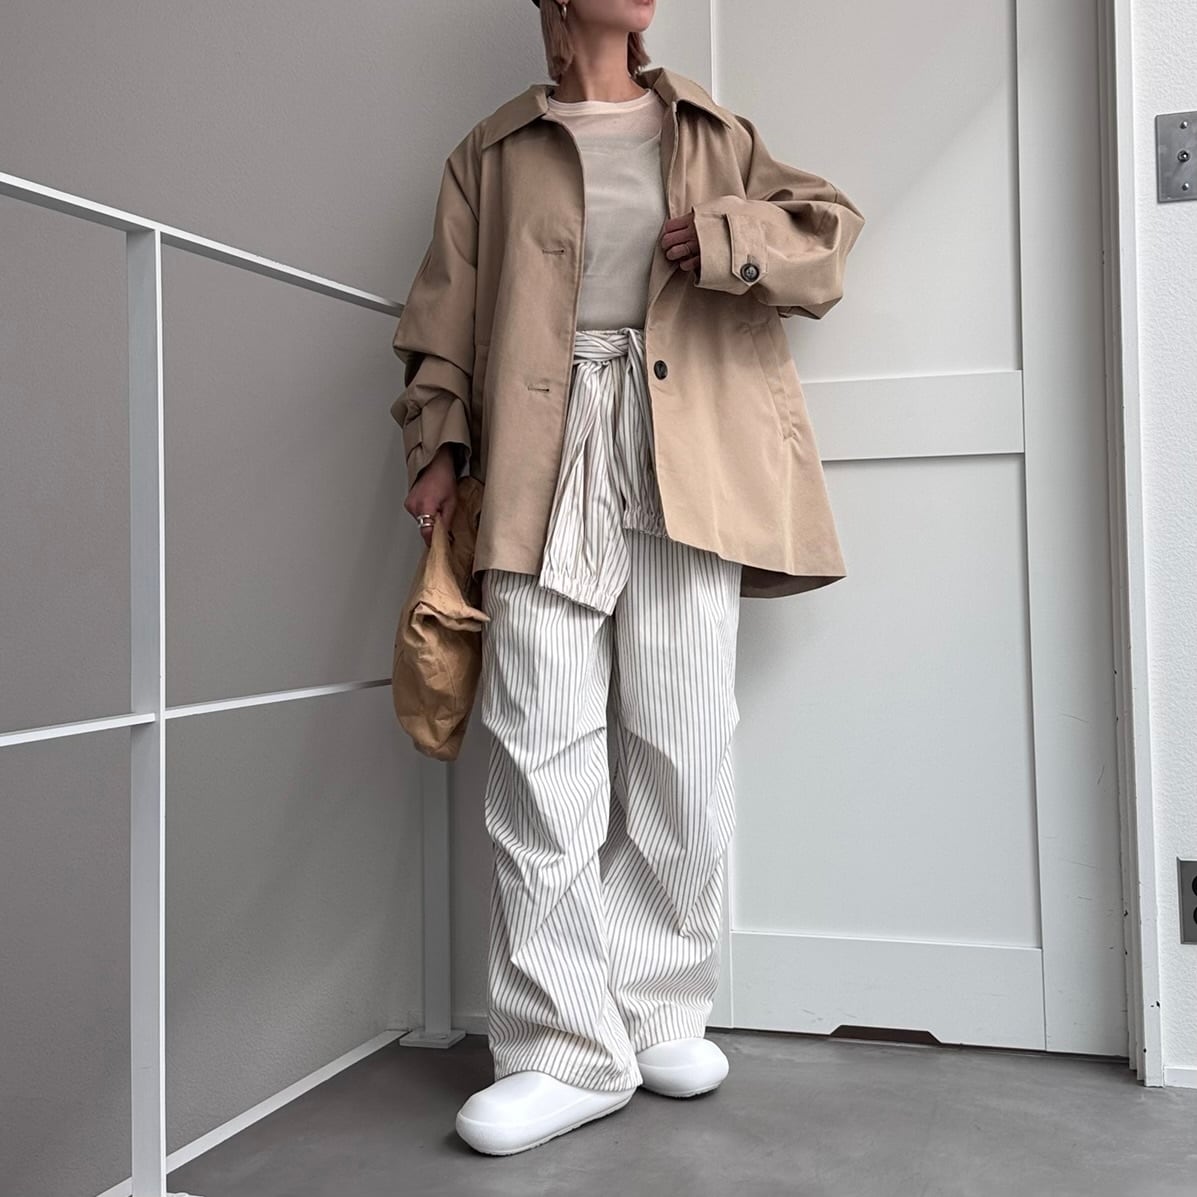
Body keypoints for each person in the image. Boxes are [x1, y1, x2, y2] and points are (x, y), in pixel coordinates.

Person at [391, 0, 865, 1158]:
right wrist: (438, 449)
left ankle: (655, 1008)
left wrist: (732, 237)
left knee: (684, 743)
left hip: (684, 444)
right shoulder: (493, 151)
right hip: (537, 452)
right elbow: (441, 323)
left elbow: (828, 240)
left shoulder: (709, 131)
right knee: (536, 746)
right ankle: (559, 1048)